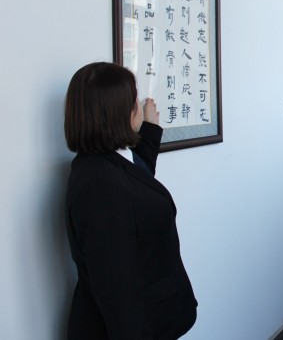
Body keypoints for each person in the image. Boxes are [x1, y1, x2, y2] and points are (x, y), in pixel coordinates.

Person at [64, 62, 197, 339]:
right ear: (118, 111)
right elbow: (117, 290)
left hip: (156, 319)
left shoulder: (106, 162)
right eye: (134, 98)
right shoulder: (98, 187)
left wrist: (149, 129)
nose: (139, 103)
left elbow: (137, 178)